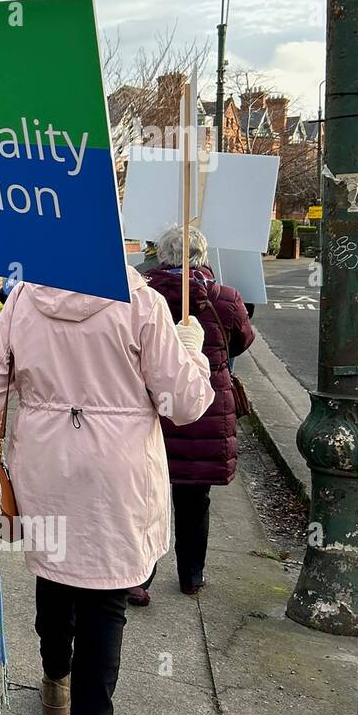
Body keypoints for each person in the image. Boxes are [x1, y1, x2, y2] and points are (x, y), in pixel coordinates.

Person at [0, 264, 212, 715]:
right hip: (117, 476)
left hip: (44, 466)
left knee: (55, 576)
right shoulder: (142, 303)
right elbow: (185, 404)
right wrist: (192, 350)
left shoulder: (22, 301)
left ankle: (55, 682)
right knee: (106, 604)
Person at [131, 225, 255, 604]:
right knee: (194, 498)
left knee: (143, 496)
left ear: (160, 255)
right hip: (202, 409)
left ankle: (139, 577)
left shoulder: (139, 296)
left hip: (147, 408)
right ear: (203, 256)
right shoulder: (226, 299)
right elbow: (242, 341)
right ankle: (191, 576)